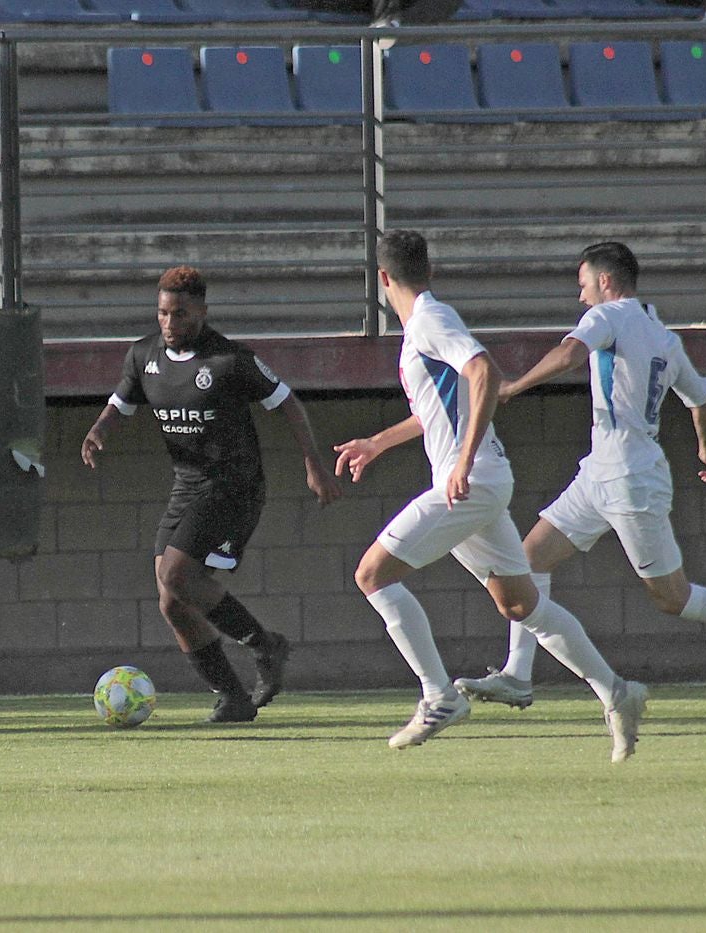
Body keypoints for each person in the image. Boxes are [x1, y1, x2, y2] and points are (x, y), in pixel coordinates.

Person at [334, 230, 647, 762]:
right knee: (522, 604)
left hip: (470, 480)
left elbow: (484, 370)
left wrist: (461, 460)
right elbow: (440, 407)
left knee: (372, 574)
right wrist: (378, 442)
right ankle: (617, 691)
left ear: (383, 280)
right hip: (480, 478)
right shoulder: (423, 327)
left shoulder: (430, 320)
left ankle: (438, 697)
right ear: (426, 270)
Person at [454, 241, 706, 709]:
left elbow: (569, 355)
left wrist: (514, 387)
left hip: (631, 477)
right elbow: (700, 401)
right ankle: (518, 676)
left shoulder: (608, 316)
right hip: (601, 470)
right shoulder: (664, 336)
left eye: (583, 286)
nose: (581, 298)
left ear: (605, 282)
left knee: (671, 597)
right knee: (528, 560)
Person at [81, 266, 342, 723]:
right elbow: (120, 405)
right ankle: (233, 696)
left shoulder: (230, 360)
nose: (169, 323)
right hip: (187, 485)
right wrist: (99, 430)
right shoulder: (143, 356)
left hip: (234, 486)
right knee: (169, 600)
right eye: (162, 313)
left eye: (180, 314)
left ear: (202, 312)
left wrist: (313, 464)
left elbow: (288, 404)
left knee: (178, 577)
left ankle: (265, 645)